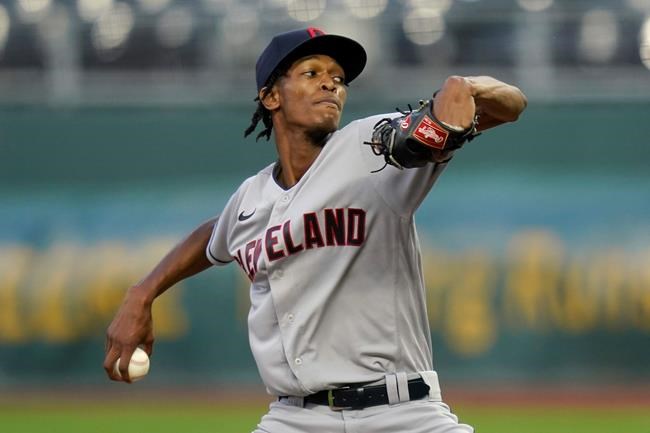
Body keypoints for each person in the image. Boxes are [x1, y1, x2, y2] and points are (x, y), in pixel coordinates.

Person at [104, 27, 527, 433]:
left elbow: (510, 106)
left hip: (402, 413)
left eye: (338, 79)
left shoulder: (369, 147)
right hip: (296, 418)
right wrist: (142, 292)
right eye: (312, 74)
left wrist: (468, 89)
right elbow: (216, 236)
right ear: (270, 96)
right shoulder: (251, 199)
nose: (331, 85)